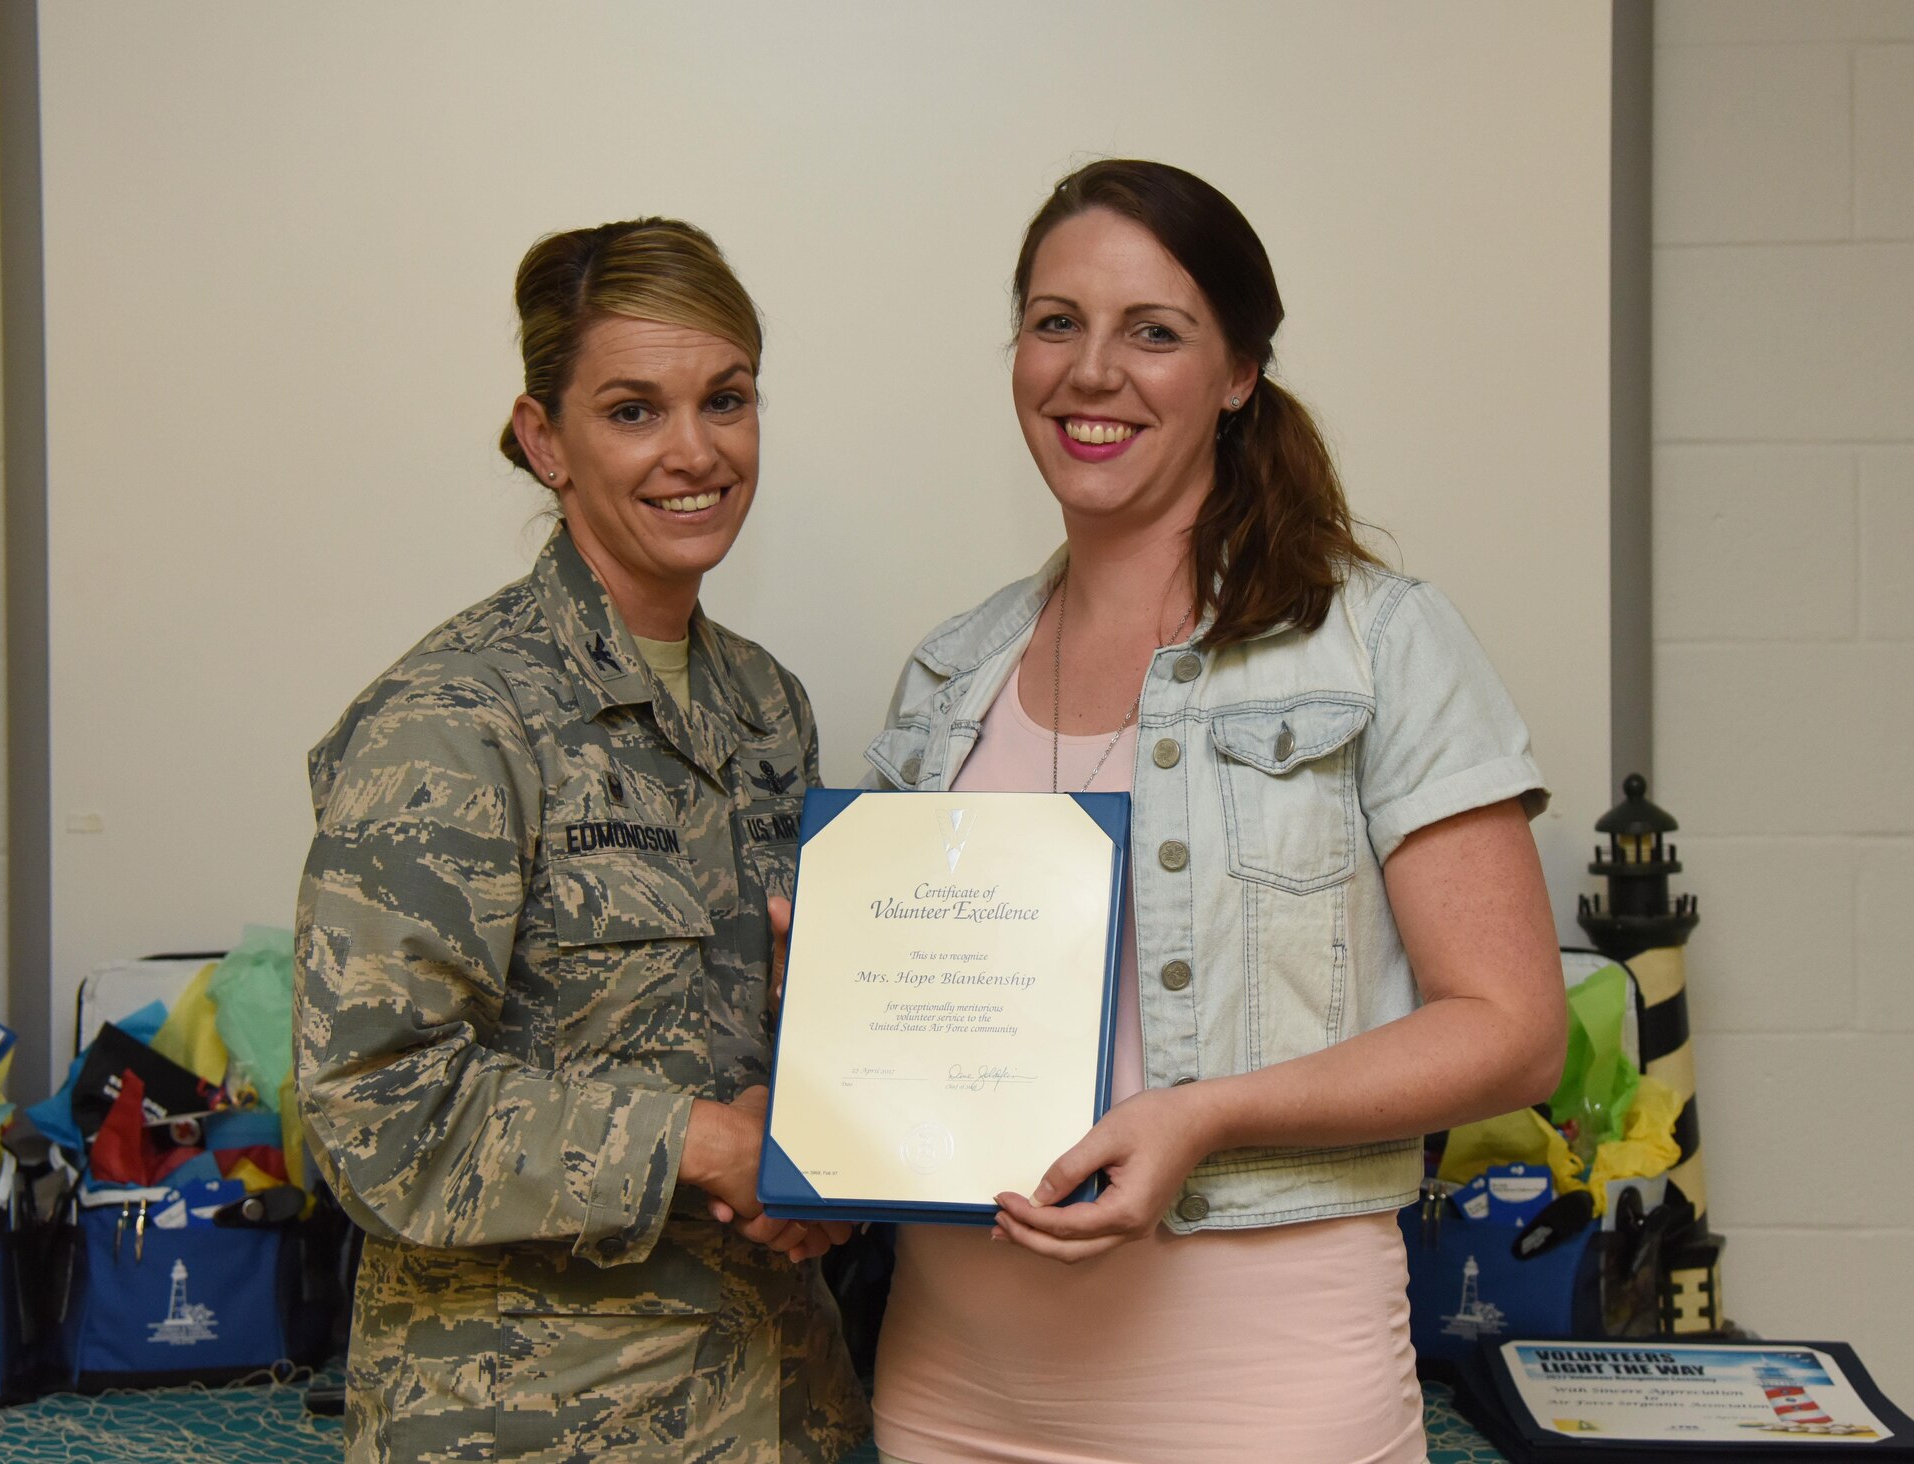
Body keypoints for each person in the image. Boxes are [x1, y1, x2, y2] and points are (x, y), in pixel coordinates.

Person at [863, 160, 1570, 1464]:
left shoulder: (1380, 646)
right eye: (1055, 320)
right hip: (954, 1394)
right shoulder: (947, 678)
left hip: (1262, 1395)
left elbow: (1518, 1034)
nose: (1090, 371)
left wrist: (1205, 1114)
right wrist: (837, 1004)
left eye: (1155, 331)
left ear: (1239, 371)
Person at [294, 219, 867, 1464]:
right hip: (536, 1422)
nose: (694, 452)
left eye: (726, 398)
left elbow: (785, 1030)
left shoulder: (767, 709)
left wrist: (832, 1170)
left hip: (779, 1400)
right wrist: (711, 1144)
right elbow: (374, 1115)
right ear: (544, 439)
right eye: (631, 410)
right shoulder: (453, 721)